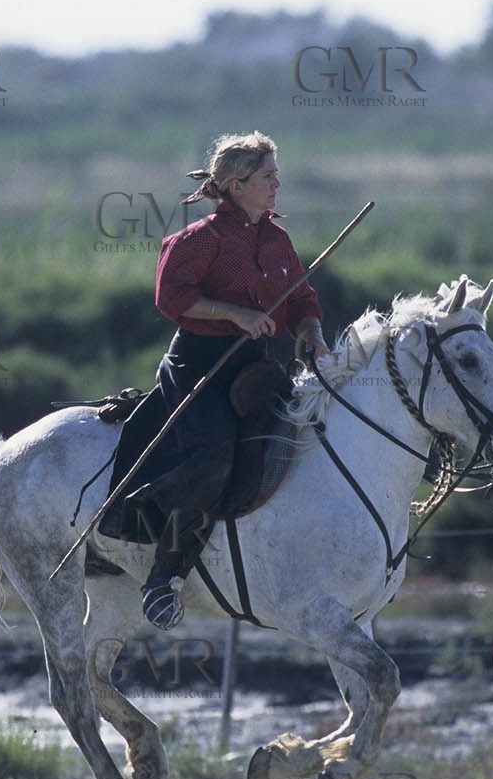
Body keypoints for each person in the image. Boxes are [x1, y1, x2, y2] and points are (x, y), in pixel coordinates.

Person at [99, 131, 330, 630]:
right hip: (199, 365)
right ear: (237, 184)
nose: (276, 184)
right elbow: (172, 298)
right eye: (268, 177)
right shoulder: (199, 240)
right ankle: (164, 577)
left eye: (276, 175)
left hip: (259, 369)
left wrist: (311, 333)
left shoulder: (277, 239)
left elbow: (302, 301)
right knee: (215, 454)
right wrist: (235, 313)